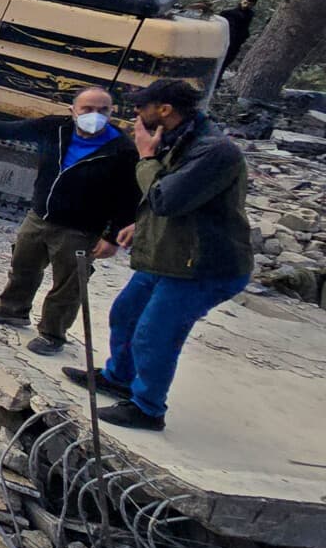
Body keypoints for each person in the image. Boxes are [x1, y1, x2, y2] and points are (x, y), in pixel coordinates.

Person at [63, 79, 250, 432]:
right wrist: (141, 224)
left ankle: (148, 409)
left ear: (164, 109)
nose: (135, 113)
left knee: (156, 333)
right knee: (126, 313)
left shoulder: (215, 151)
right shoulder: (180, 139)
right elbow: (172, 197)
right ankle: (119, 378)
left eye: (141, 107)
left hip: (202, 266)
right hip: (172, 254)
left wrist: (146, 157)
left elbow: (167, 198)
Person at [0, 87, 140, 355]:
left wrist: (111, 237)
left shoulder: (122, 149)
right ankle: (12, 310)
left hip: (81, 230)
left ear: (112, 112)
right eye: (87, 109)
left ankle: (52, 335)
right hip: (39, 217)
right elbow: (4, 129)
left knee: (68, 286)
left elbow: (130, 196)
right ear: (73, 111)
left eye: (103, 110)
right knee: (23, 266)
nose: (95, 115)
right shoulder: (54, 128)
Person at [218, 0, 258, 73]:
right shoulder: (227, 13)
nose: (246, 5)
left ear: (252, 6)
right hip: (223, 40)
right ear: (242, 1)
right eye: (245, 3)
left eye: (250, 4)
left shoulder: (249, 15)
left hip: (235, 43)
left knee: (225, 62)